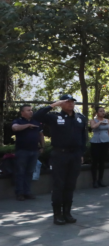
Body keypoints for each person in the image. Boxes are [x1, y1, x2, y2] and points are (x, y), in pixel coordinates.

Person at [33, 94, 87, 225]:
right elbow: (36, 116)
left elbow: (83, 137)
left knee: (70, 185)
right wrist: (54, 104)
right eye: (67, 102)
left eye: (72, 102)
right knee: (59, 185)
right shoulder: (54, 117)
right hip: (59, 155)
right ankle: (57, 214)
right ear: (62, 103)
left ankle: (67, 213)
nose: (70, 104)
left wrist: (81, 153)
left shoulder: (80, 118)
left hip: (74, 155)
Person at [12, 104, 44, 201]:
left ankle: (27, 192)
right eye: (28, 110)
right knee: (20, 172)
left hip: (34, 151)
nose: (31, 111)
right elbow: (15, 128)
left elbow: (41, 134)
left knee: (29, 172)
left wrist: (42, 146)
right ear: (22, 113)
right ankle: (19, 193)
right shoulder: (18, 121)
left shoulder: (37, 122)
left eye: (31, 110)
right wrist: (28, 125)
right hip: (22, 151)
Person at [89, 107, 109, 188]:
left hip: (105, 142)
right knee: (95, 162)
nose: (102, 112)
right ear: (97, 113)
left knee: (102, 162)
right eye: (100, 111)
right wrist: (100, 122)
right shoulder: (93, 121)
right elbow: (93, 127)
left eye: (103, 111)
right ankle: (94, 181)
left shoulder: (108, 121)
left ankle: (100, 180)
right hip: (96, 142)